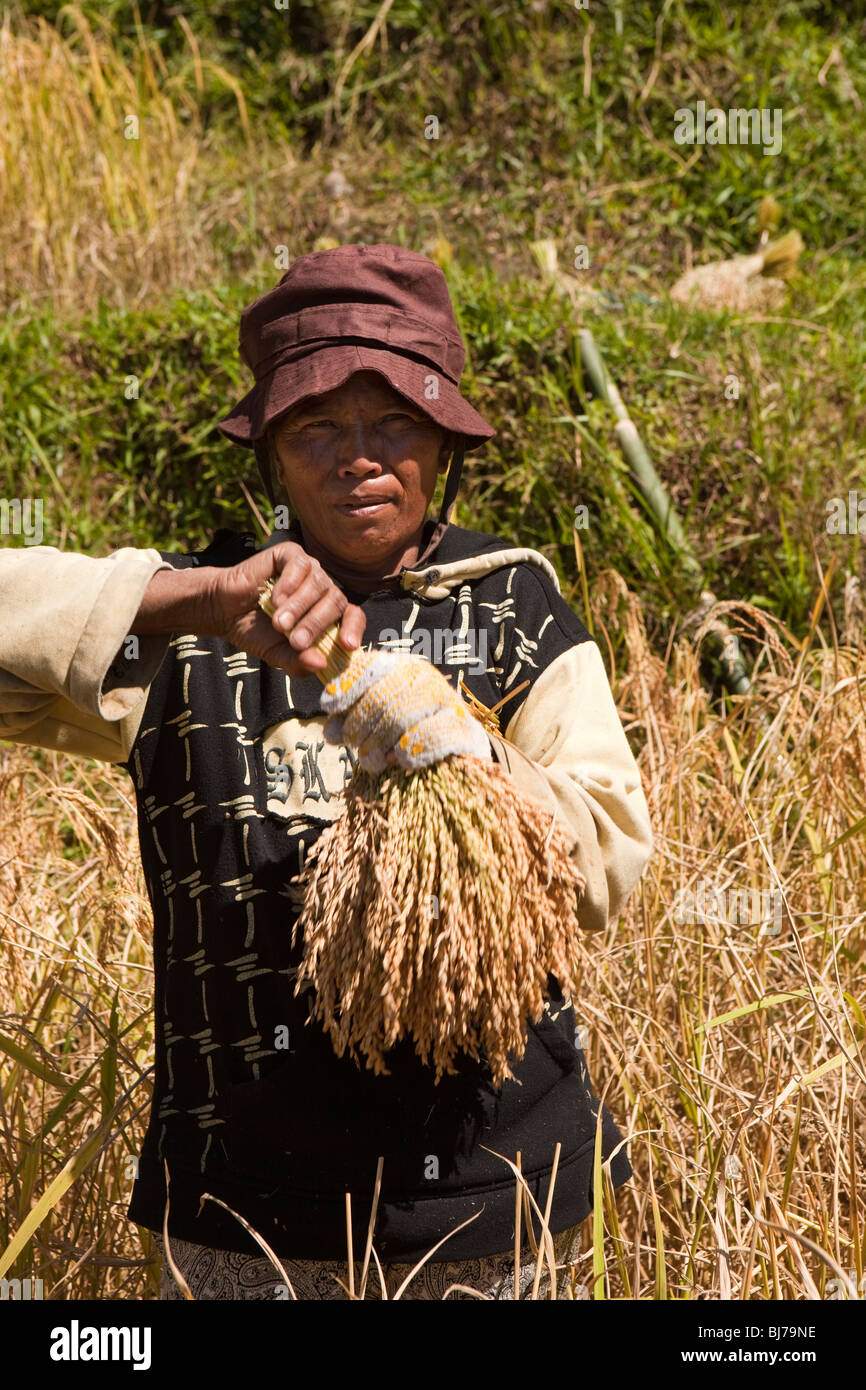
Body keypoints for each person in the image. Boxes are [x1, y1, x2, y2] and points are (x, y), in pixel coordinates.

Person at [0, 242, 653, 1300]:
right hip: (242, 1216)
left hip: (494, 1207)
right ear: (270, 454)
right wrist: (190, 600)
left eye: (393, 420)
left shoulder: (512, 607)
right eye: (316, 426)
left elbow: (609, 861)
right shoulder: (196, 625)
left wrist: (460, 744)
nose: (359, 456)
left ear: (441, 440)